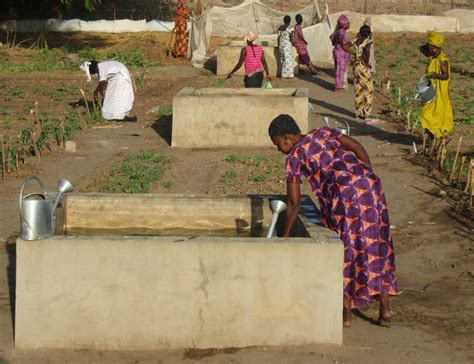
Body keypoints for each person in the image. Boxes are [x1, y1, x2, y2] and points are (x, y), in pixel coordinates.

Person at [268, 114, 397, 328]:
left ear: (286, 138)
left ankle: (346, 315)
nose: (279, 149)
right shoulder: (324, 132)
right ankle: (385, 310)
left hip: (343, 197)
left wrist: (286, 234)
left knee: (345, 251)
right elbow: (356, 146)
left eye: (277, 144)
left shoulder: (294, 158)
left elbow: (293, 203)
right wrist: (366, 174)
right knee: (376, 245)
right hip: (371, 188)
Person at [419, 30, 453, 139]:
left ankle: (439, 137)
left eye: (429, 46)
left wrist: (435, 75)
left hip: (438, 93)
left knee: (432, 115)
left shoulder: (442, 60)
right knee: (427, 115)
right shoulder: (433, 57)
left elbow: (445, 76)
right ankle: (433, 138)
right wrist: (429, 44)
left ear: (434, 48)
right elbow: (421, 49)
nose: (427, 48)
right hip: (431, 90)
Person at [353, 25, 374, 119]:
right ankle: (367, 113)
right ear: (368, 33)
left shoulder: (356, 40)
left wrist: (355, 55)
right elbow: (367, 51)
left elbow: (345, 46)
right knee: (368, 89)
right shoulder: (368, 42)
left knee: (359, 89)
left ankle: (358, 112)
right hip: (363, 66)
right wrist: (366, 63)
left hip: (356, 65)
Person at [330, 15, 351, 91]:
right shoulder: (341, 33)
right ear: (344, 24)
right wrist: (351, 47)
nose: (349, 25)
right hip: (341, 53)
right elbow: (343, 45)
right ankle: (338, 87)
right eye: (348, 23)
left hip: (337, 51)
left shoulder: (338, 31)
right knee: (340, 69)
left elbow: (332, 40)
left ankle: (339, 86)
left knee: (339, 69)